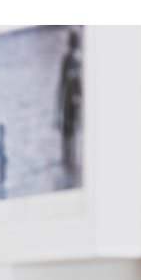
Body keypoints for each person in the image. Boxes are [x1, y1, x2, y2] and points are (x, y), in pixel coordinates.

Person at [56, 30, 83, 173]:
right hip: (72, 102)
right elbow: (63, 85)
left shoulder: (75, 60)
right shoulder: (71, 59)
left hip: (71, 102)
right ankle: (69, 167)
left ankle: (69, 168)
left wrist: (58, 111)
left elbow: (62, 85)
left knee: (70, 138)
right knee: (70, 138)